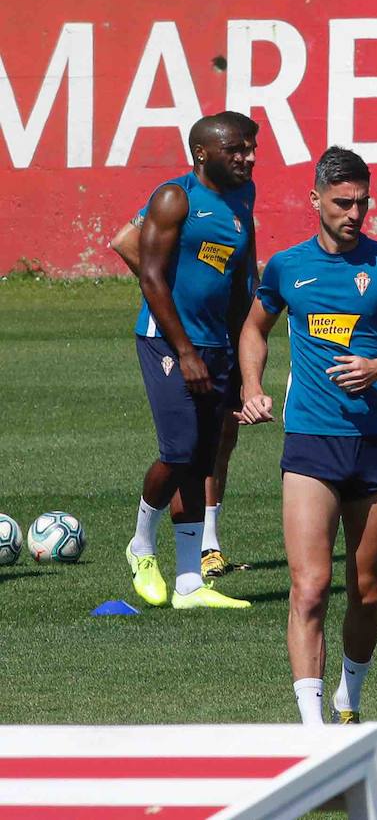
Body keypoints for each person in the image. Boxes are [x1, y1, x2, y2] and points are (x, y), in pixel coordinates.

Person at [236, 146, 377, 725]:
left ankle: (349, 696)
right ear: (315, 201)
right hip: (310, 441)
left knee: (367, 589)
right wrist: (252, 386)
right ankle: (311, 727)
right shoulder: (285, 268)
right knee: (310, 587)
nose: (355, 213)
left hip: (376, 442)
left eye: (362, 202)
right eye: (343, 202)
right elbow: (255, 327)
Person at [110, 115, 255, 579]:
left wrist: (238, 360)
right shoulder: (175, 197)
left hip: (218, 346)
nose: (247, 158)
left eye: (251, 148)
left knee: (202, 457)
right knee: (178, 452)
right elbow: (148, 272)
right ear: (202, 153)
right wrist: (185, 346)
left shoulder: (242, 195)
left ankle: (191, 580)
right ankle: (141, 544)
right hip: (170, 345)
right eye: (236, 149)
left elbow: (237, 286)